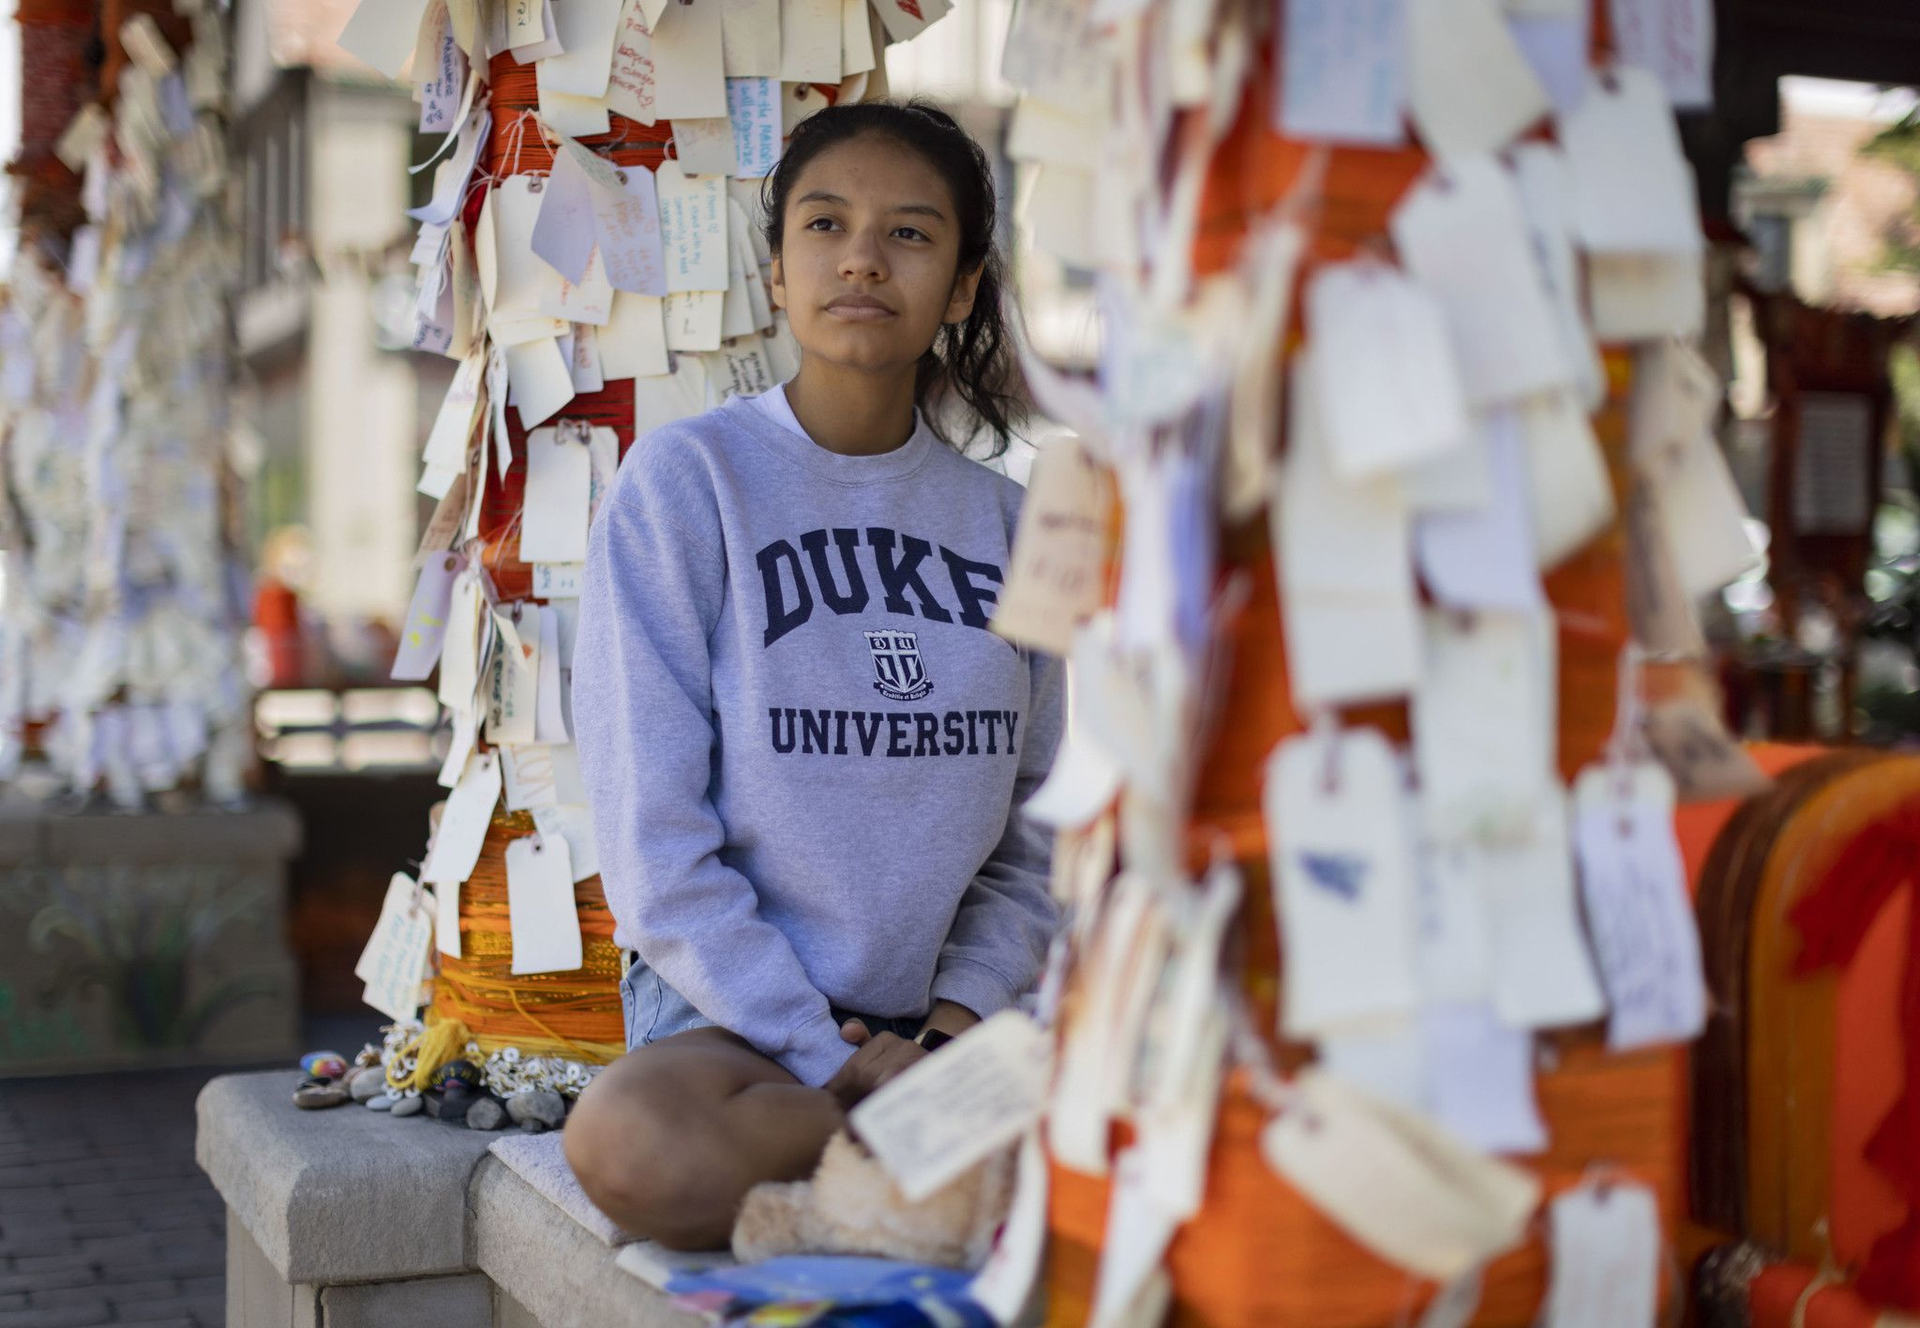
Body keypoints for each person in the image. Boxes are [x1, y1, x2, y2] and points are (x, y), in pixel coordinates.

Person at [565, 99, 1064, 1252]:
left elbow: (1032, 843)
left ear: (964, 285)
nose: (860, 258)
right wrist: (827, 1052)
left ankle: (892, 1164)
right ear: (778, 271)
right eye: (825, 224)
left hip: (950, 1023)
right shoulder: (687, 485)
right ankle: (924, 1158)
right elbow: (655, 839)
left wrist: (943, 1040)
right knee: (631, 1141)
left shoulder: (1015, 527)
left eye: (909, 233)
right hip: (739, 1033)